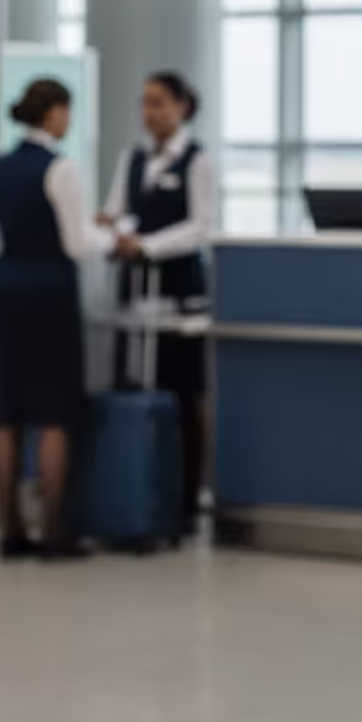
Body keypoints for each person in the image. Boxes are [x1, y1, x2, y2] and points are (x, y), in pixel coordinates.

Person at [0, 78, 110, 561]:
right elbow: (77, 243)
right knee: (54, 415)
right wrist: (109, 238)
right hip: (51, 295)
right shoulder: (62, 168)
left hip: (7, 294)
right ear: (54, 113)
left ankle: (10, 531)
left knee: (7, 414)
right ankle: (55, 530)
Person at [100, 71, 216, 535]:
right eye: (144, 103)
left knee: (183, 395)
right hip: (136, 292)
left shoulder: (197, 160)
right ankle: (137, 494)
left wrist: (145, 245)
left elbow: (201, 226)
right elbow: (117, 209)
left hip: (178, 292)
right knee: (132, 385)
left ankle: (184, 503)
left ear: (182, 107)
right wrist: (113, 229)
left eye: (158, 103)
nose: (149, 112)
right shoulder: (132, 157)